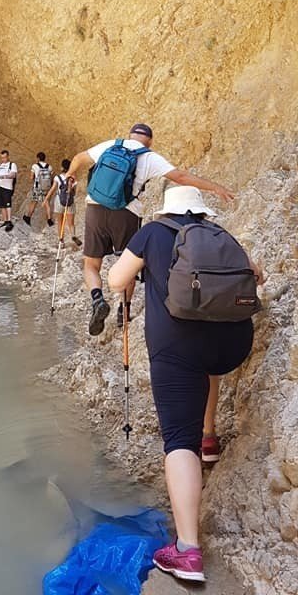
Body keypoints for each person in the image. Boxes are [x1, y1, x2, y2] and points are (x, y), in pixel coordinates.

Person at [108, 185, 262, 582]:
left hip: (177, 351)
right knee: (207, 362)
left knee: (178, 441)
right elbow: (256, 274)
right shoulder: (220, 234)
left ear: (167, 209)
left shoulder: (152, 233)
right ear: (201, 211)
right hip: (233, 345)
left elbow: (115, 279)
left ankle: (187, 551)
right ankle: (209, 438)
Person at [67, 123, 235, 336]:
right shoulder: (149, 157)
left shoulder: (111, 145)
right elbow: (181, 177)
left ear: (130, 136)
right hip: (126, 213)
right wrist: (216, 188)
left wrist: (70, 175)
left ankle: (97, 298)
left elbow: (79, 158)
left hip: (95, 209)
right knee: (128, 263)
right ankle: (123, 311)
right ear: (150, 141)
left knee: (91, 264)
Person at [43, 159, 81, 246]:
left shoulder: (57, 178)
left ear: (62, 167)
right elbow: (74, 192)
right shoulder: (73, 178)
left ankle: (61, 241)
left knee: (60, 222)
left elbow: (52, 189)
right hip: (70, 201)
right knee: (71, 223)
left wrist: (46, 199)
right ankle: (73, 235)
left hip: (59, 201)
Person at [22, 152, 55, 228]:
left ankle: (28, 217)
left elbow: (31, 177)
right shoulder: (49, 167)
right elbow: (52, 177)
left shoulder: (35, 166)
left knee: (34, 202)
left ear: (38, 158)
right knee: (46, 202)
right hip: (46, 187)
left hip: (37, 187)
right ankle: (49, 220)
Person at [0, 150, 17, 232]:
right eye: (2, 157)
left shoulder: (12, 165)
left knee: (8, 204)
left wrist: (5, 176)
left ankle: (9, 221)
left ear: (8, 156)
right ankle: (5, 221)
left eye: (4, 157)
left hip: (7, 187)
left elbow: (13, 175)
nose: (3, 159)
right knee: (2, 205)